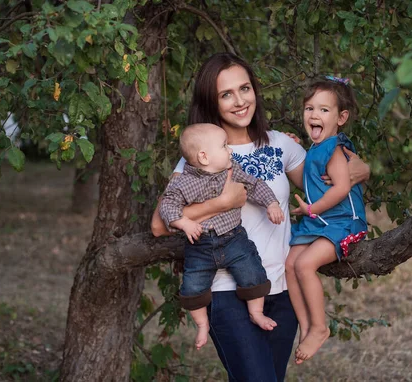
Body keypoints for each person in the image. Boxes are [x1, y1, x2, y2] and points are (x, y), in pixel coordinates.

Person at [151, 52, 369, 381]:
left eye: (245, 88)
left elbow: (328, 182)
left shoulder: (283, 145)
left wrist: (361, 168)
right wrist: (221, 203)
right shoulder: (201, 157)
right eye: (226, 94)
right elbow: (158, 226)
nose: (240, 101)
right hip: (227, 293)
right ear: (212, 101)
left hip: (280, 292)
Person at [158, 123, 285, 350]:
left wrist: (272, 203)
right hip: (200, 245)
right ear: (204, 157)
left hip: (233, 238)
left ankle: (256, 312)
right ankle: (202, 324)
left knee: (252, 270)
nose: (230, 150)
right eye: (224, 146)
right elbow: (167, 206)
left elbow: (255, 184)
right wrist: (183, 222)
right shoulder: (183, 181)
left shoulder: (231, 169)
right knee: (192, 286)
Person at [286, 77, 368, 364]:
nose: (314, 115)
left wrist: (310, 209)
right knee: (290, 264)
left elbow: (342, 187)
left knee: (305, 264)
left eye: (323, 110)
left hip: (343, 222)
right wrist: (293, 150)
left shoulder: (335, 148)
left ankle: (320, 327)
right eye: (309, 108)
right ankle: (306, 326)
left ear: (341, 118)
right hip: (319, 222)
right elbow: (305, 182)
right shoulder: (315, 150)